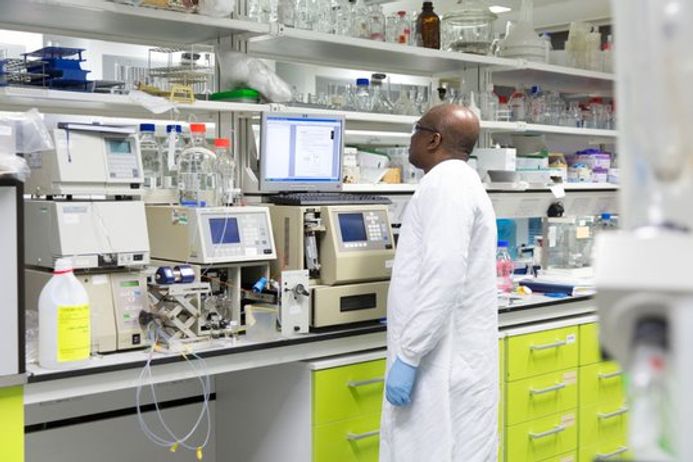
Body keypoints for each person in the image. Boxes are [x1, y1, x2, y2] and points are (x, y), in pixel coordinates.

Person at [379, 104, 498, 462]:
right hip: (456, 359)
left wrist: (410, 355)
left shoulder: (445, 184)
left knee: (430, 449)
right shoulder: (461, 181)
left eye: (416, 130)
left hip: (439, 364)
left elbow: (443, 276)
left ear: (433, 139)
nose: (410, 139)